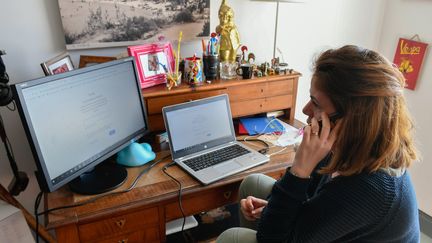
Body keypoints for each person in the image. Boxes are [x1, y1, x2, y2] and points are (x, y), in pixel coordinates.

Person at [217, 45, 420, 243]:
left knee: (232, 238)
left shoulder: (369, 189)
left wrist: (300, 168)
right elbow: (311, 196)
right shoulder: (347, 143)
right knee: (254, 184)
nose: (305, 110)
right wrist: (272, 208)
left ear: (352, 119)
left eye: (316, 103)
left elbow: (271, 238)